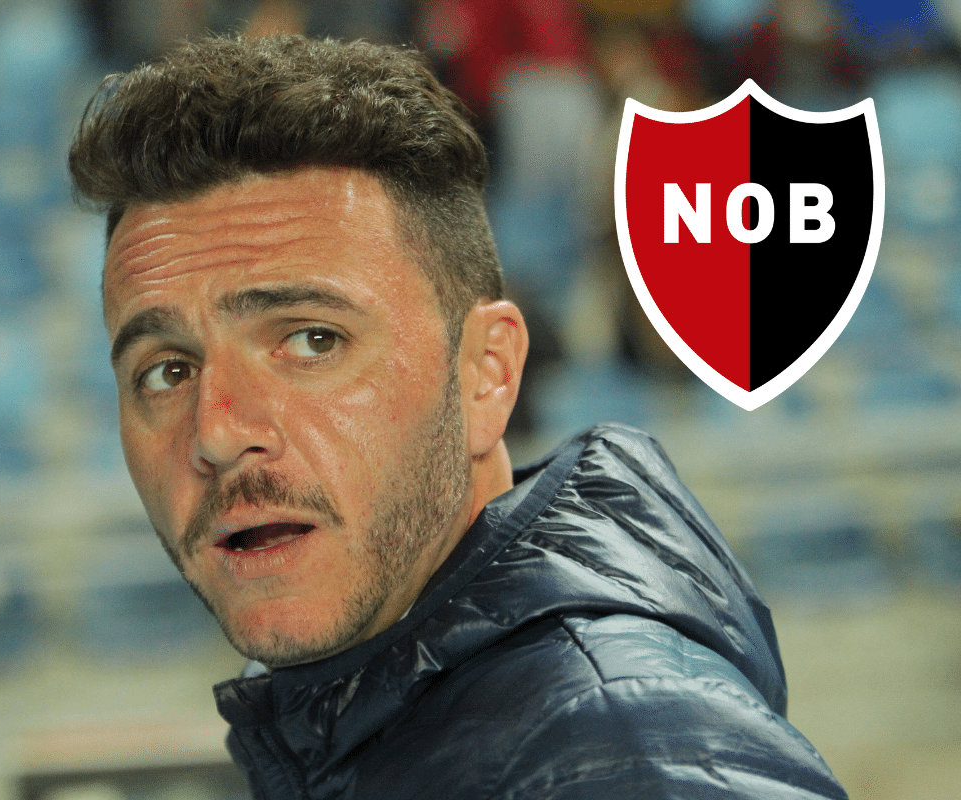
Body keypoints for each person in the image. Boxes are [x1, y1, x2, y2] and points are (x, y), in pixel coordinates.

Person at [68, 34, 849, 799]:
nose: (216, 431)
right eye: (167, 371)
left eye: (312, 340)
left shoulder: (622, 756)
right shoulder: (386, 719)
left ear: (486, 374)